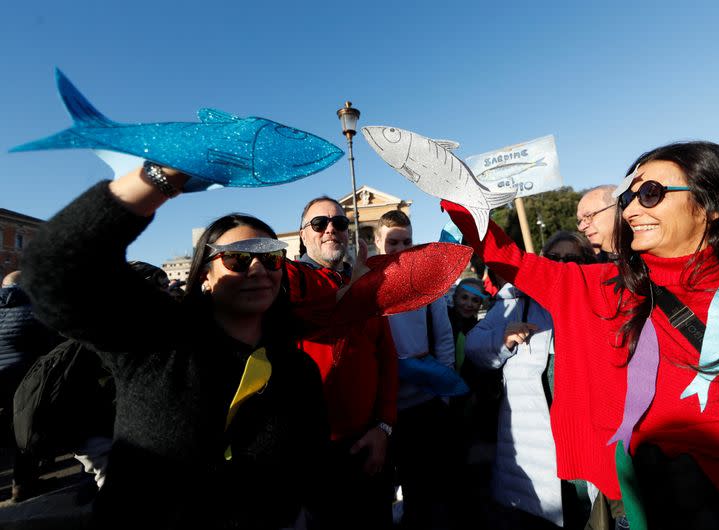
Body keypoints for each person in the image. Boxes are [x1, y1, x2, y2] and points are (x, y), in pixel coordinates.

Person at [443, 141, 719, 529]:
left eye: (650, 194)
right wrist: (458, 196)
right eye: (628, 196)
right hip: (654, 502)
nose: (629, 209)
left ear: (714, 205)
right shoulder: (605, 286)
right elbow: (509, 258)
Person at [21, 165, 337, 529]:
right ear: (205, 273)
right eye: (238, 258)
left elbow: (313, 469)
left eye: (270, 257)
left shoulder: (297, 368)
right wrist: (161, 176)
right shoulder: (153, 337)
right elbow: (53, 268)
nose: (258, 269)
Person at [465, 232, 595, 530]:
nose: (562, 265)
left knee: (584, 511)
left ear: (586, 264)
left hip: (580, 432)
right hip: (532, 439)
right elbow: (473, 348)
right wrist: (504, 336)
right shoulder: (516, 299)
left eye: (572, 259)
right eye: (554, 258)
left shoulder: (593, 302)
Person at [296, 196, 398, 530]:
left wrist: (383, 428)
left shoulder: (366, 288)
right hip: (311, 456)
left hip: (368, 444)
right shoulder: (287, 279)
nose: (331, 230)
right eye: (319, 224)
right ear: (302, 234)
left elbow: (386, 360)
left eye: (340, 223)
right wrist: (352, 291)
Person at [373, 209, 457, 530]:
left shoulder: (426, 281)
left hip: (424, 401)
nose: (400, 248)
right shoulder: (369, 282)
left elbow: (444, 335)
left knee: (423, 484)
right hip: (383, 405)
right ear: (379, 241)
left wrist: (444, 392)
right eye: (393, 242)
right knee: (384, 483)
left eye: (406, 241)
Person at [0, 271, 62, 502]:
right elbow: (51, 345)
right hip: (23, 380)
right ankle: (21, 486)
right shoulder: (37, 310)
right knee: (24, 430)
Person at [576, 185, 617, 261]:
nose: (581, 228)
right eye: (580, 221)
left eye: (588, 216)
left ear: (616, 209)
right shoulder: (591, 265)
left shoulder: (644, 255)